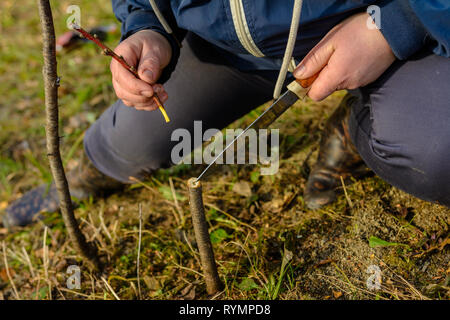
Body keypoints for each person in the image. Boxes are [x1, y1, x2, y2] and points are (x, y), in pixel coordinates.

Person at [4, 0, 450, 227]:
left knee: (438, 146)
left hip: (385, 31)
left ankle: (363, 123)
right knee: (132, 143)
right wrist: (148, 25)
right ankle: (89, 173)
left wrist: (393, 24)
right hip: (226, 51)